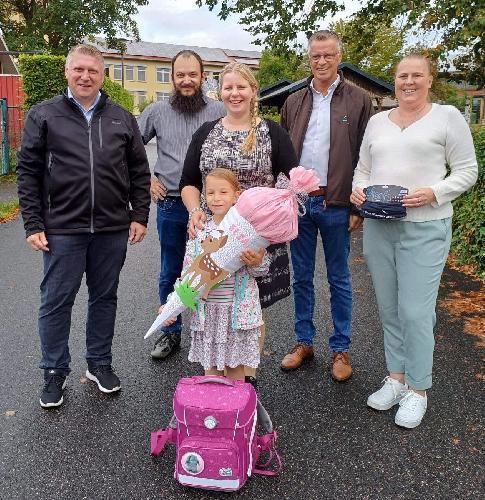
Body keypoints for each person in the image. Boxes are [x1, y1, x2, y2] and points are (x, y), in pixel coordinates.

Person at [16, 44, 151, 408]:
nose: (85, 76)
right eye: (78, 69)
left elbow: (139, 171)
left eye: (92, 70)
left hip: (111, 228)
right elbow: (27, 172)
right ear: (67, 72)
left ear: (102, 74)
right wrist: (32, 223)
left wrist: (139, 215)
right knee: (56, 301)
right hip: (62, 228)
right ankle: (54, 371)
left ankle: (99, 363)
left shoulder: (122, 117)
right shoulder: (44, 115)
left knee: (104, 298)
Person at [351, 54, 477, 428]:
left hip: (426, 226)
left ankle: (418, 390)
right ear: (395, 80)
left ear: (429, 79)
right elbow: (363, 170)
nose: (409, 82)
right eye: (402, 75)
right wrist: (358, 190)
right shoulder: (377, 122)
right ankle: (397, 377)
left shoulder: (447, 117)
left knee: (415, 312)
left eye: (416, 75)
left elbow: (467, 170)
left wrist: (434, 192)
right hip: (379, 226)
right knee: (389, 308)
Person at [179, 62, 298, 387]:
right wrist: (194, 211)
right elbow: (189, 182)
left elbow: (290, 184)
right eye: (228, 87)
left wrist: (271, 220)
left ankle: (247, 376)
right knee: (213, 300)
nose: (235, 93)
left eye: (241, 87)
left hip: (256, 239)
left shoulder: (273, 132)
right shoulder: (206, 133)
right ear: (221, 92)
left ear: (253, 91)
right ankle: (215, 370)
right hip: (213, 235)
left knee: (250, 307)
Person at [280, 30, 373, 381]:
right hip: (301, 204)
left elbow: (367, 156)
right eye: (315, 56)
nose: (321, 61)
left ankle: (341, 348)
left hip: (337, 204)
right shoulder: (293, 101)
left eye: (328, 55)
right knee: (301, 277)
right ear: (309, 58)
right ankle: (303, 342)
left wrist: (357, 207)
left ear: (338, 57)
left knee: (339, 279)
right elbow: (285, 155)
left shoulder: (359, 100)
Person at [138, 50, 225, 361]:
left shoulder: (219, 109)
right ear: (172, 78)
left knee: (215, 272)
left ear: (203, 77)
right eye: (180, 75)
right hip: (172, 205)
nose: (187, 80)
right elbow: (129, 149)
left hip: (217, 208)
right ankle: (170, 332)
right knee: (171, 271)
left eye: (193, 75)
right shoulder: (156, 111)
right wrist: (147, 180)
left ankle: (212, 338)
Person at [161, 168, 269, 380]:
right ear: (203, 197)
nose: (216, 198)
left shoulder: (247, 230)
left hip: (235, 315)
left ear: (237, 195)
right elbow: (188, 274)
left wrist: (256, 261)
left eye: (223, 192)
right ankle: (215, 412)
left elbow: (261, 269)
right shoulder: (200, 231)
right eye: (210, 193)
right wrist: (170, 305)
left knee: (236, 370)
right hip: (208, 314)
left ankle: (236, 411)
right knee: (211, 371)